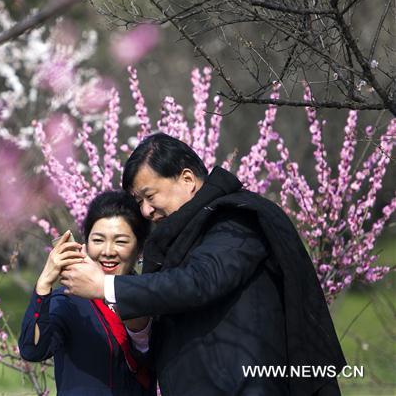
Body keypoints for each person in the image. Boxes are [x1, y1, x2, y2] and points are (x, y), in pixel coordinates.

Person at [59, 133, 346, 396]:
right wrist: (140, 326)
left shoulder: (235, 221)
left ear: (186, 179)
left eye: (149, 196)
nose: (145, 210)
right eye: (139, 201)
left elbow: (199, 281)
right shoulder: (178, 238)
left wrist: (105, 286)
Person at [19, 191, 152, 395]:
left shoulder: (154, 297)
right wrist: (44, 283)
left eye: (121, 241)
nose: (108, 251)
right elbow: (33, 349)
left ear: (140, 248)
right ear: (86, 243)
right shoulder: (68, 300)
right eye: (98, 240)